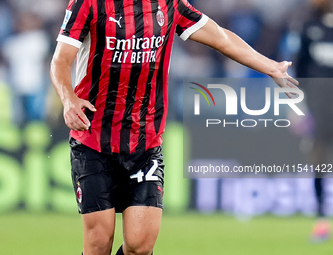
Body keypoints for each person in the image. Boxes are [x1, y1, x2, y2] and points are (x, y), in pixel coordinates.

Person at [50, 0, 299, 254]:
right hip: (93, 139)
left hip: (145, 143)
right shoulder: (89, 3)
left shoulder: (169, 4)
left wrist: (270, 67)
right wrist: (68, 99)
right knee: (99, 244)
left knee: (140, 246)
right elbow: (60, 61)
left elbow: (221, 37)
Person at [288, 0, 333, 243]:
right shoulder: (307, 26)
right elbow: (299, 70)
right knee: (319, 161)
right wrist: (297, 107)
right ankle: (321, 220)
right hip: (318, 109)